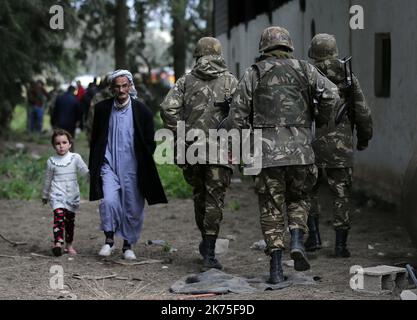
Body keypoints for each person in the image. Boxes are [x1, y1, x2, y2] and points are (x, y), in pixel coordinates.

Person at [227, 26, 340, 284]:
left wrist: (243, 141)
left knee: (271, 207)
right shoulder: (305, 69)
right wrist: (319, 118)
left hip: (266, 155)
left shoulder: (253, 73)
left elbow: (236, 116)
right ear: (288, 45)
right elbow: (331, 94)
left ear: (264, 47)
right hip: (301, 151)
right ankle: (298, 240)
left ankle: (276, 269)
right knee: (299, 199)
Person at [161, 37, 238, 270]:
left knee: (199, 195)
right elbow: (243, 113)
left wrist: (181, 132)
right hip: (220, 150)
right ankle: (210, 251)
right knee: (215, 200)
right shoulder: (231, 81)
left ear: (197, 54)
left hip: (191, 149)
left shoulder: (186, 80)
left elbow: (167, 108)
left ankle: (206, 241)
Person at [305, 34, 373, 257]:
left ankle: (313, 236)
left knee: (309, 191)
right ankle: (340, 246)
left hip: (310, 142)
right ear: (334, 50)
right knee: (341, 194)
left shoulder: (307, 75)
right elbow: (363, 113)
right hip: (340, 145)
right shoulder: (347, 76)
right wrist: (363, 139)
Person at [89, 69, 167, 260]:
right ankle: (109, 240)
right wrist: (95, 164)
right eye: (117, 86)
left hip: (133, 166)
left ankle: (127, 245)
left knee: (132, 206)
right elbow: (96, 138)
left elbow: (150, 141)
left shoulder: (142, 111)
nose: (121, 89)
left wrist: (144, 160)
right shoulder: (101, 109)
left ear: (131, 86)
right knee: (108, 201)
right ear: (111, 88)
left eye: (125, 85)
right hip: (109, 164)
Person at [42, 129, 89, 257]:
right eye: (58, 143)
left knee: (69, 221)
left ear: (69, 144)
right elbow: (47, 179)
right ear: (53, 145)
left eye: (64, 142)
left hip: (72, 195)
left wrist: (94, 180)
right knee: (58, 216)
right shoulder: (51, 161)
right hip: (57, 194)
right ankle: (57, 243)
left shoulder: (75, 158)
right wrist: (45, 195)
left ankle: (69, 245)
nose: (61, 146)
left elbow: (85, 172)